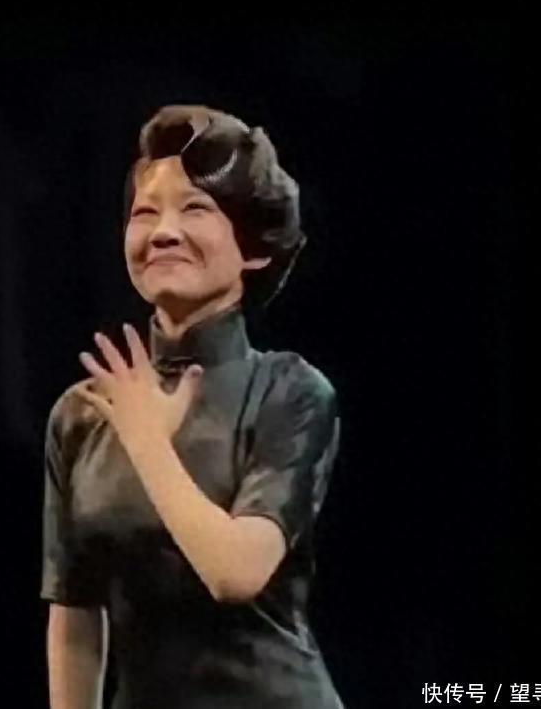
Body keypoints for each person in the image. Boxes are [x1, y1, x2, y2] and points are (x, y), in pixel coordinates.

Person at [40, 104, 345, 709]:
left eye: (194, 209)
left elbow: (235, 573)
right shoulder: (82, 413)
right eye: (144, 213)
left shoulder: (290, 391)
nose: (163, 232)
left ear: (253, 248)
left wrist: (147, 441)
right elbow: (76, 615)